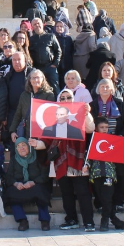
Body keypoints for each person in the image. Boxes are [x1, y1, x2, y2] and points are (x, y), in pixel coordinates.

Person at [42, 89, 95, 230]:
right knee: (66, 192)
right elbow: (46, 140)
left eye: (69, 97)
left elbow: (90, 129)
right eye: (63, 97)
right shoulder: (53, 118)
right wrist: (36, 144)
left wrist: (87, 113)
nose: (66, 99)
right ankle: (71, 220)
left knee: (83, 192)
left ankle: (88, 221)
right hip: (61, 161)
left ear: (73, 98)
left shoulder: (80, 113)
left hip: (77, 160)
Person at [90, 78, 124, 211]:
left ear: (112, 88)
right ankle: (101, 203)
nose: (104, 88)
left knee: (120, 172)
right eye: (102, 86)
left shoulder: (119, 103)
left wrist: (120, 136)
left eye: (107, 86)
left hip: (116, 142)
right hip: (99, 144)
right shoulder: (93, 105)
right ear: (98, 89)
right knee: (100, 173)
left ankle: (118, 202)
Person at [86, 117, 124, 232]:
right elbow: (88, 156)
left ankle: (104, 221)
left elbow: (121, 152)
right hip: (96, 174)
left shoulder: (112, 140)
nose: (104, 129)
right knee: (102, 198)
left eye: (106, 127)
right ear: (96, 128)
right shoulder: (92, 140)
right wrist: (86, 165)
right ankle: (115, 221)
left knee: (107, 198)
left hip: (109, 173)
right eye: (102, 127)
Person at [5, 137, 51, 231]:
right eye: (18, 146)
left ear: (28, 146)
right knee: (11, 192)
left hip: (34, 185)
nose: (21, 148)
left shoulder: (37, 156)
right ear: (16, 149)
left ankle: (45, 221)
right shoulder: (14, 160)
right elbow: (8, 177)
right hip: (20, 187)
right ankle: (22, 221)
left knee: (41, 190)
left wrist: (33, 182)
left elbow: (44, 175)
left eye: (24, 145)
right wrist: (16, 183)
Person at [10, 69, 56, 140]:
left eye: (38, 77)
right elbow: (18, 114)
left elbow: (50, 117)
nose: (35, 80)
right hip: (26, 133)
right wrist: (12, 131)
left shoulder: (49, 95)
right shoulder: (24, 95)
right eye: (33, 78)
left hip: (41, 134)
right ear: (29, 80)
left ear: (42, 79)